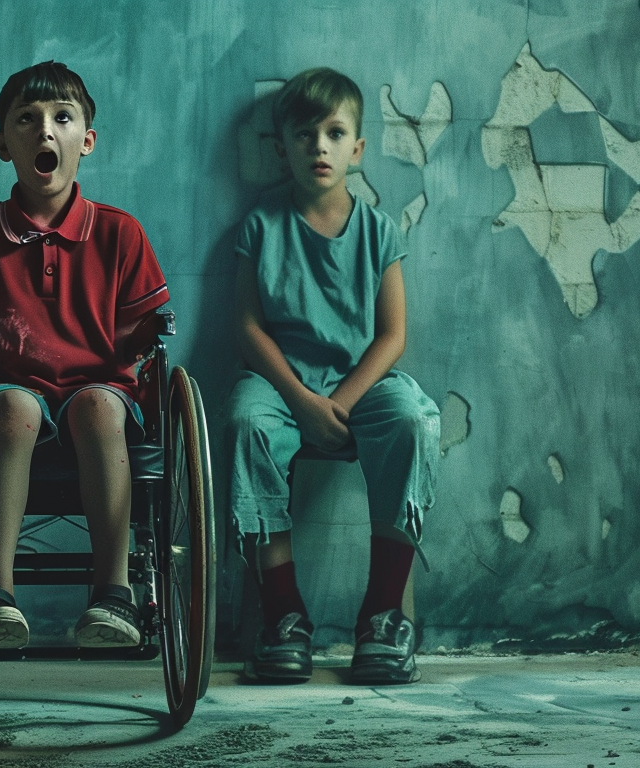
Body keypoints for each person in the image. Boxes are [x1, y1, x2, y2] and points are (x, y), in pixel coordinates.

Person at [0, 61, 170, 650]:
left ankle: (113, 596)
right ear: (4, 143)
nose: (45, 131)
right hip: (4, 387)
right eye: (27, 120)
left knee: (100, 409)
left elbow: (143, 338)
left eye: (62, 118)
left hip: (97, 388)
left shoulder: (119, 234)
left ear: (87, 140)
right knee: (13, 407)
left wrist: (139, 356)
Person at [227, 67, 440, 685]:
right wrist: (301, 403)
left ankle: (381, 617)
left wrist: (337, 404)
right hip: (280, 384)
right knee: (244, 421)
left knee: (412, 421)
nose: (319, 146)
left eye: (334, 132)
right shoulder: (260, 227)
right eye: (303, 134)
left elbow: (393, 336)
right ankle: (283, 616)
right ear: (280, 147)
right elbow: (246, 328)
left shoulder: (378, 230)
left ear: (357, 148)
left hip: (360, 385)